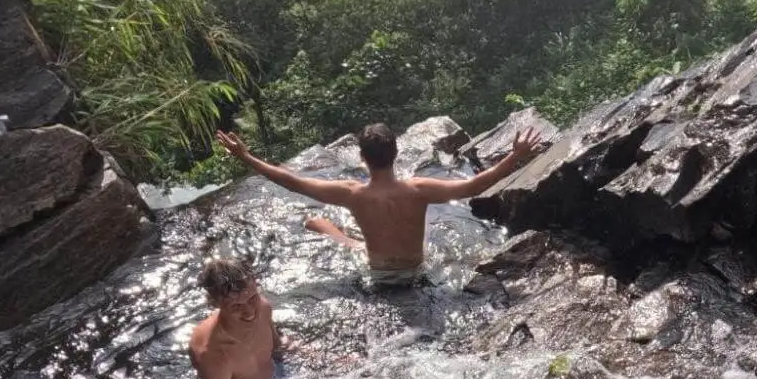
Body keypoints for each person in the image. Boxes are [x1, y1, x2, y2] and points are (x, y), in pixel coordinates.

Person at [216, 122, 548, 286]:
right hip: (418, 272)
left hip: (378, 277)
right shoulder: (419, 190)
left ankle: (335, 234)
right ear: (396, 153)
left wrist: (246, 156)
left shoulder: (352, 194)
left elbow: (292, 181)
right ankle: (342, 236)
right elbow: (476, 184)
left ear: (362, 158)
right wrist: (515, 156)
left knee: (316, 223)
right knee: (419, 235)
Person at [188, 257, 284, 379]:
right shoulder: (211, 354)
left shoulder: (263, 307)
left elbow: (279, 350)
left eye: (252, 297)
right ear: (215, 304)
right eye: (236, 306)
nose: (250, 312)